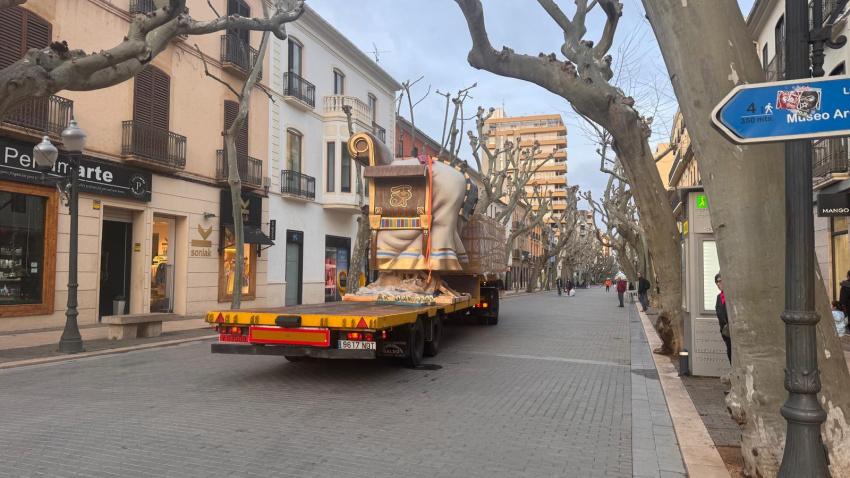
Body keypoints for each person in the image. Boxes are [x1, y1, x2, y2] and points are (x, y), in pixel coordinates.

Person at [715, 273, 731, 363]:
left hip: (731, 330)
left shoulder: (730, 296)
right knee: (729, 352)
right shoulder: (719, 297)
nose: (718, 284)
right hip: (725, 332)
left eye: (720, 281)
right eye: (716, 282)